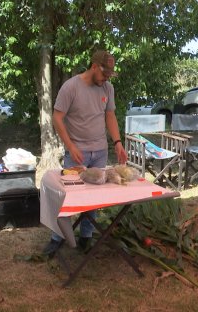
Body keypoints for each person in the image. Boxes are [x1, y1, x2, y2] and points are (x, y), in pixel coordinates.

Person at [42, 50, 128, 256]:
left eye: (109, 74)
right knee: (67, 197)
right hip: (76, 153)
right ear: (94, 66)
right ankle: (57, 237)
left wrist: (117, 142)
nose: (107, 77)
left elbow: (110, 116)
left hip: (99, 151)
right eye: (104, 73)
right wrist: (71, 146)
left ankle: (86, 236)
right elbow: (57, 118)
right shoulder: (71, 87)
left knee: (94, 198)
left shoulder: (108, 87)